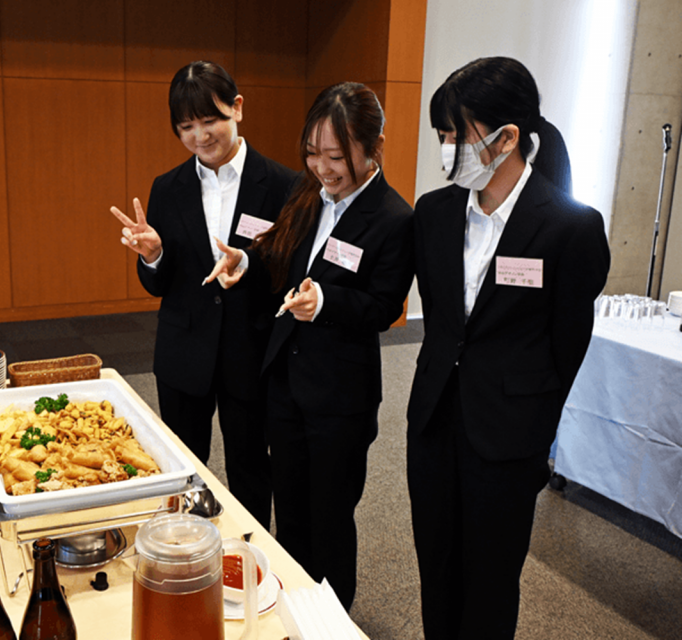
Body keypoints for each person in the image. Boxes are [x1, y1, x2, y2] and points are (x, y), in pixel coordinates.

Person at [406, 56, 610, 639]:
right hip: (434, 421)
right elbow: (443, 321)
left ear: (507, 138)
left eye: (456, 134)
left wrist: (533, 428)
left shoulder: (569, 227)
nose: (447, 149)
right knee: (436, 569)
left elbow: (568, 347)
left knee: (490, 582)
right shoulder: (434, 212)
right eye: (441, 135)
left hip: (508, 437)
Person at [206, 82, 414, 607]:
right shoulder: (307, 193)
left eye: (337, 157)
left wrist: (326, 301)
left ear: (374, 147)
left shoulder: (393, 217)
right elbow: (279, 254)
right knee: (291, 512)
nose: (323, 168)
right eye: (313, 153)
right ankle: (292, 609)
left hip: (339, 396)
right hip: (285, 383)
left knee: (330, 518)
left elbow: (384, 306)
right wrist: (246, 261)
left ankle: (332, 619)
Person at [109, 61, 297, 529]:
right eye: (186, 127)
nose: (200, 136)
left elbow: (289, 271)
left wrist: (248, 265)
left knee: (251, 469)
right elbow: (158, 285)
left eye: (210, 120)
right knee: (179, 467)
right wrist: (153, 256)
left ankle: (250, 553)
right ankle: (182, 551)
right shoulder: (167, 188)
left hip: (250, 350)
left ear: (237, 108)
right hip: (183, 351)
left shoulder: (283, 184)